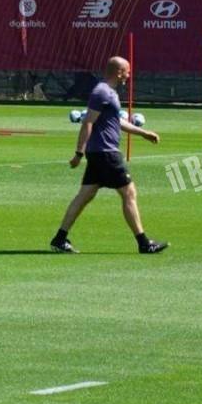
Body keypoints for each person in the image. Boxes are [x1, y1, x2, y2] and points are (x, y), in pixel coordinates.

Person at [52, 56, 168, 255]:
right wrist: (79, 153)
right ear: (119, 72)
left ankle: (59, 239)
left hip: (100, 153)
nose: (129, 75)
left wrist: (144, 133)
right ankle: (143, 243)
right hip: (106, 153)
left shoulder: (109, 93)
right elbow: (88, 122)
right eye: (128, 71)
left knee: (85, 195)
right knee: (129, 192)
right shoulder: (102, 92)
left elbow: (116, 122)